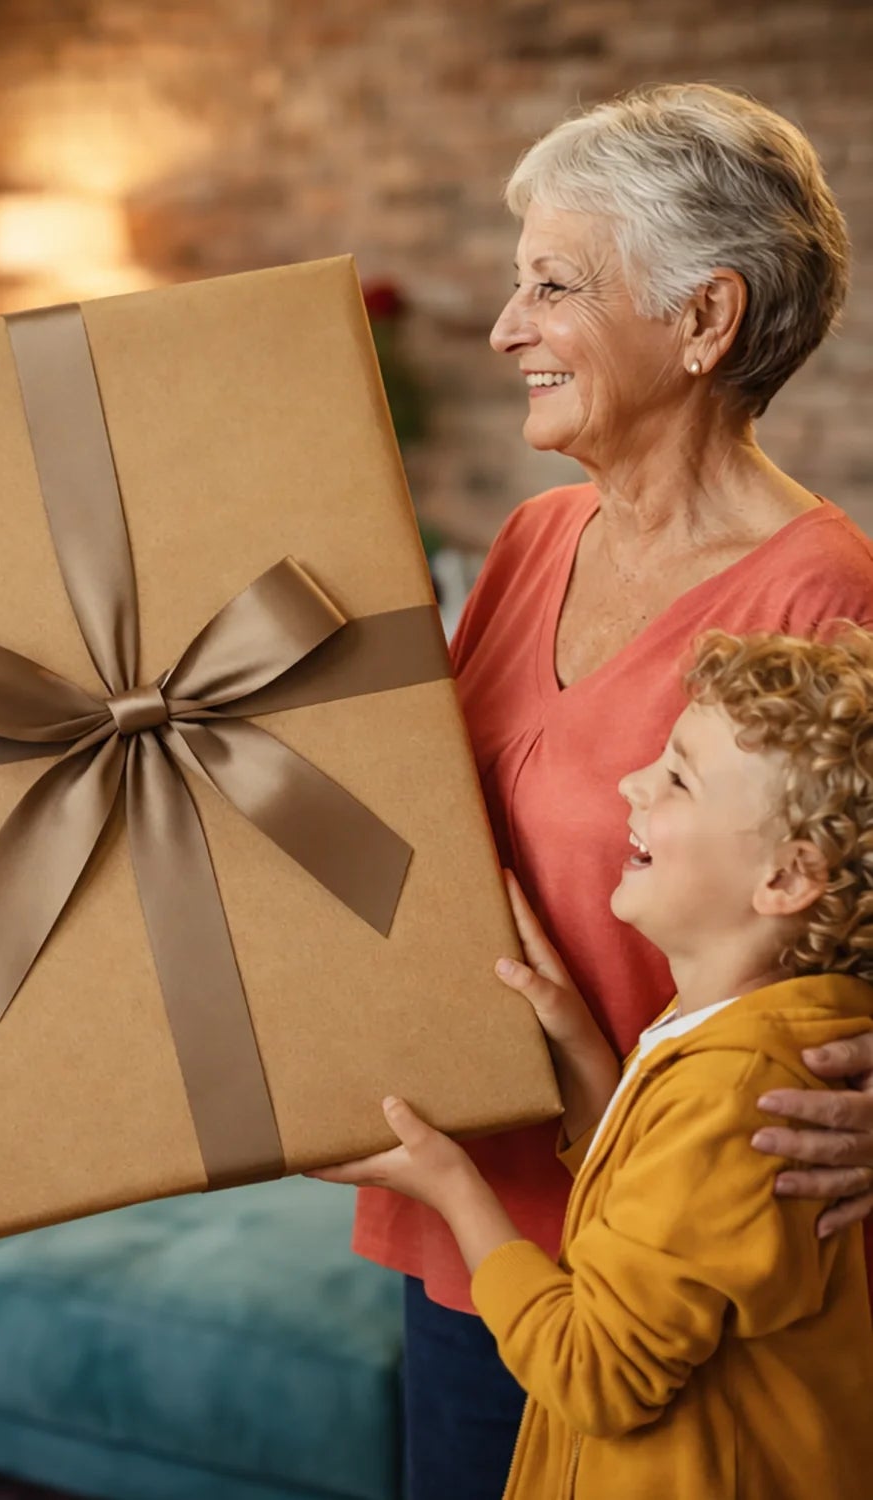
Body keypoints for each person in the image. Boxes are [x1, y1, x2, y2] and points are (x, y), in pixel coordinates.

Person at [339, 83, 873, 1500]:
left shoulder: (823, 602)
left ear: (703, 322)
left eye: (554, 285)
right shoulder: (533, 535)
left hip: (670, 1263)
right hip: (480, 1215)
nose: (509, 328)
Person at [316, 626, 873, 1498]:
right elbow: (646, 1202)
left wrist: (456, 1187)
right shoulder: (724, 1029)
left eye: (679, 777)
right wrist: (578, 1044)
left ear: (787, 878)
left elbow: (597, 1374)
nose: (633, 783)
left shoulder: (737, 1093)